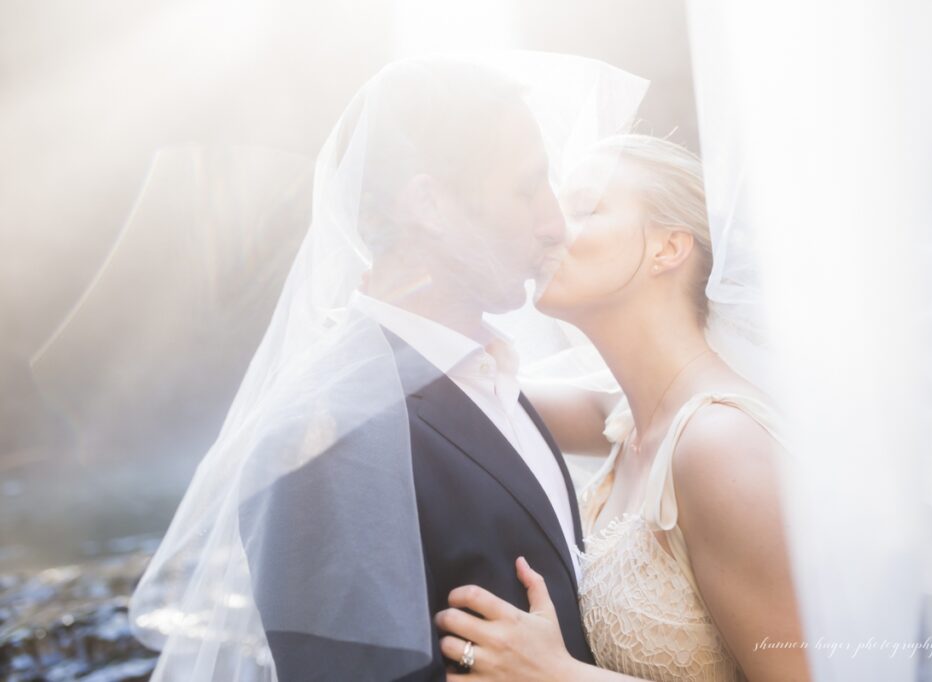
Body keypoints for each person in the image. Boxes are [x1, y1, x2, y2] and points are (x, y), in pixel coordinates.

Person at [130, 54, 648, 681]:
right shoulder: (326, 437)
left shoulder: (489, 375)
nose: (553, 223)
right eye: (525, 188)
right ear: (427, 205)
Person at [434, 135, 811, 681]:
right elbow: (471, 382)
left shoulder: (721, 446)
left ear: (668, 248)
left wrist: (559, 674)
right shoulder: (625, 418)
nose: (550, 228)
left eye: (584, 208)